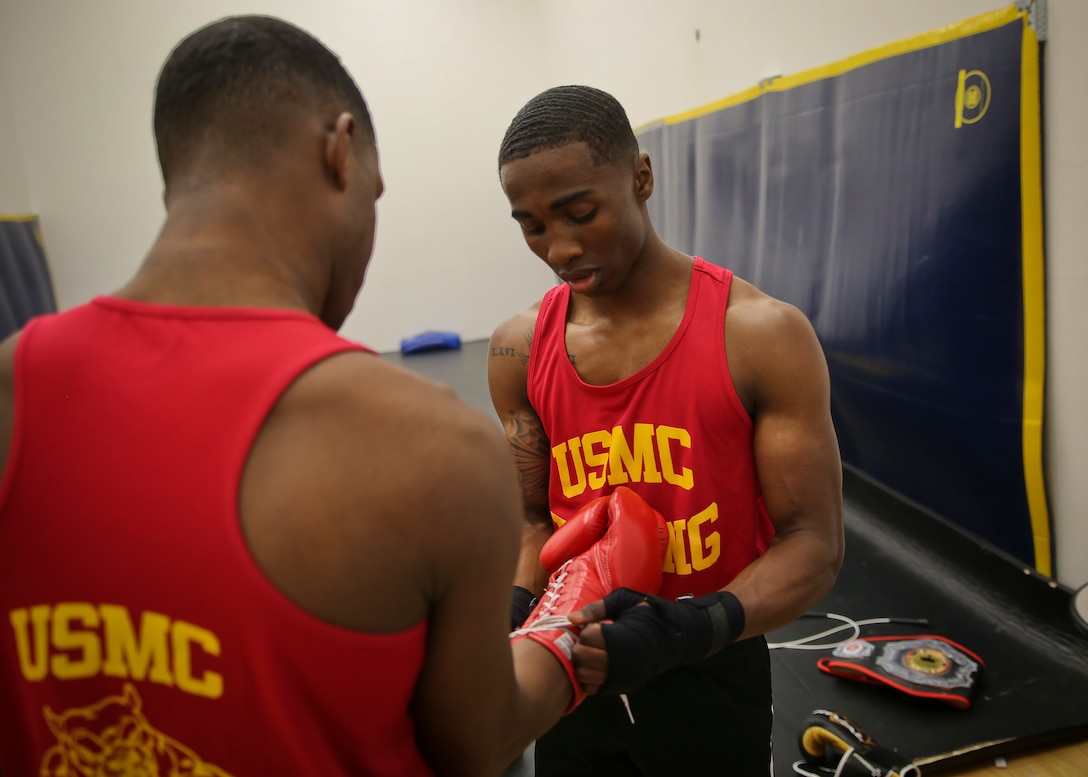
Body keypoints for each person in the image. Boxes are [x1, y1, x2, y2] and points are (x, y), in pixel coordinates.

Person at [0, 21, 661, 777]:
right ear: (339, 150)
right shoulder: (431, 445)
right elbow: (477, 743)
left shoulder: (12, 387)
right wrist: (571, 621)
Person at [489, 84, 846, 776]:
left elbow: (814, 544)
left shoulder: (759, 335)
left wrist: (688, 629)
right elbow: (535, 520)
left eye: (580, 212)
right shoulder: (519, 348)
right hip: (570, 659)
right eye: (531, 226)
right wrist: (515, 607)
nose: (558, 248)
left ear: (641, 178)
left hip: (709, 656)